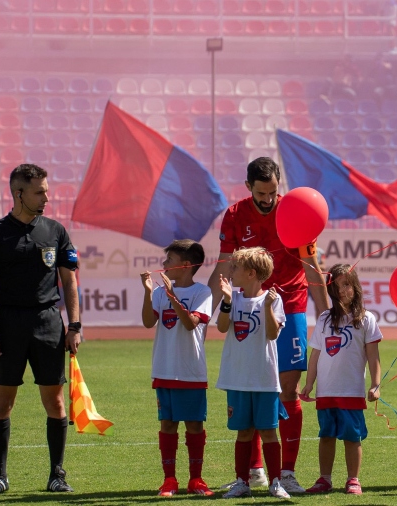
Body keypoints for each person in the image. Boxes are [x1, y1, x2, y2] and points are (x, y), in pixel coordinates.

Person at [207, 157, 328, 494]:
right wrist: (204, 311)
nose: (267, 199)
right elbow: (225, 268)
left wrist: (326, 315)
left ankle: (287, 473)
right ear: (249, 187)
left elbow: (311, 264)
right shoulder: (234, 216)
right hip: (249, 309)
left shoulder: (294, 209)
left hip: (291, 304)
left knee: (288, 388)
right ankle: (255, 469)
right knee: (252, 385)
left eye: (273, 192)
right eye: (261, 193)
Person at [0, 163, 81, 495]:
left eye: (47, 191)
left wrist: (74, 325)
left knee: (56, 403)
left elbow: (69, 281)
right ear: (19, 193)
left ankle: (57, 475)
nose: (46, 197)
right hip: (8, 324)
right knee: (3, 402)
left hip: (49, 322)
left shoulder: (56, 231)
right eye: (40, 192)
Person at [140, 239, 213, 497]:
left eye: (168, 260)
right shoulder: (160, 292)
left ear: (184, 265)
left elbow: (191, 323)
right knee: (168, 424)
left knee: (194, 425)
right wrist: (149, 292)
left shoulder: (202, 293)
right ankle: (169, 480)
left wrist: (172, 297)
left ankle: (196, 479)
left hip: (191, 370)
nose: (164, 264)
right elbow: (149, 322)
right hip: (164, 369)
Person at [215, 247, 290, 499]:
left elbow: (271, 334)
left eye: (235, 268)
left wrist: (267, 306)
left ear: (251, 273)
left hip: (264, 378)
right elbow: (222, 327)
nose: (231, 272)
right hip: (237, 378)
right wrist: (226, 301)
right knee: (243, 432)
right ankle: (241, 482)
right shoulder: (233, 299)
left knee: (269, 431)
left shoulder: (273, 299)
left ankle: (276, 483)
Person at [301, 264, 382, 495]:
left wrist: (376, 384)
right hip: (326, 391)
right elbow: (315, 354)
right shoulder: (325, 319)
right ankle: (324, 479)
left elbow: (373, 356)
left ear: (355, 285)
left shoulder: (366, 319)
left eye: (346, 284)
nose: (342, 290)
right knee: (326, 435)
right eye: (336, 287)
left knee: (351, 437)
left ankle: (353, 479)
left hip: (352, 391)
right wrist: (309, 384)